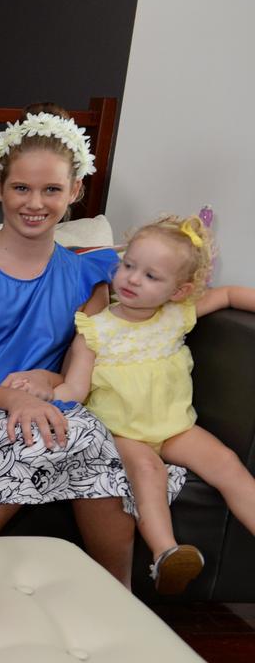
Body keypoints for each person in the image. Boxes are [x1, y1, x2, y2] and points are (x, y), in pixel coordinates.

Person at [0, 103, 183, 585]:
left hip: (50, 410)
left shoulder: (90, 275)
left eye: (51, 189)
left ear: (75, 191)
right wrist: (15, 398)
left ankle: (116, 592)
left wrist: (52, 382)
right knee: (62, 436)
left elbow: (85, 364)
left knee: (83, 434)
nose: (34, 202)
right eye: (21, 187)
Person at [43, 214, 255, 593]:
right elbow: (75, 386)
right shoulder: (95, 329)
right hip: (121, 432)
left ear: (178, 291)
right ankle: (167, 554)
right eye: (128, 266)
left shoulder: (176, 316)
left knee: (226, 463)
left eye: (151, 276)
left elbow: (228, 295)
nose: (132, 279)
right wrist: (47, 395)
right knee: (146, 469)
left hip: (176, 427)